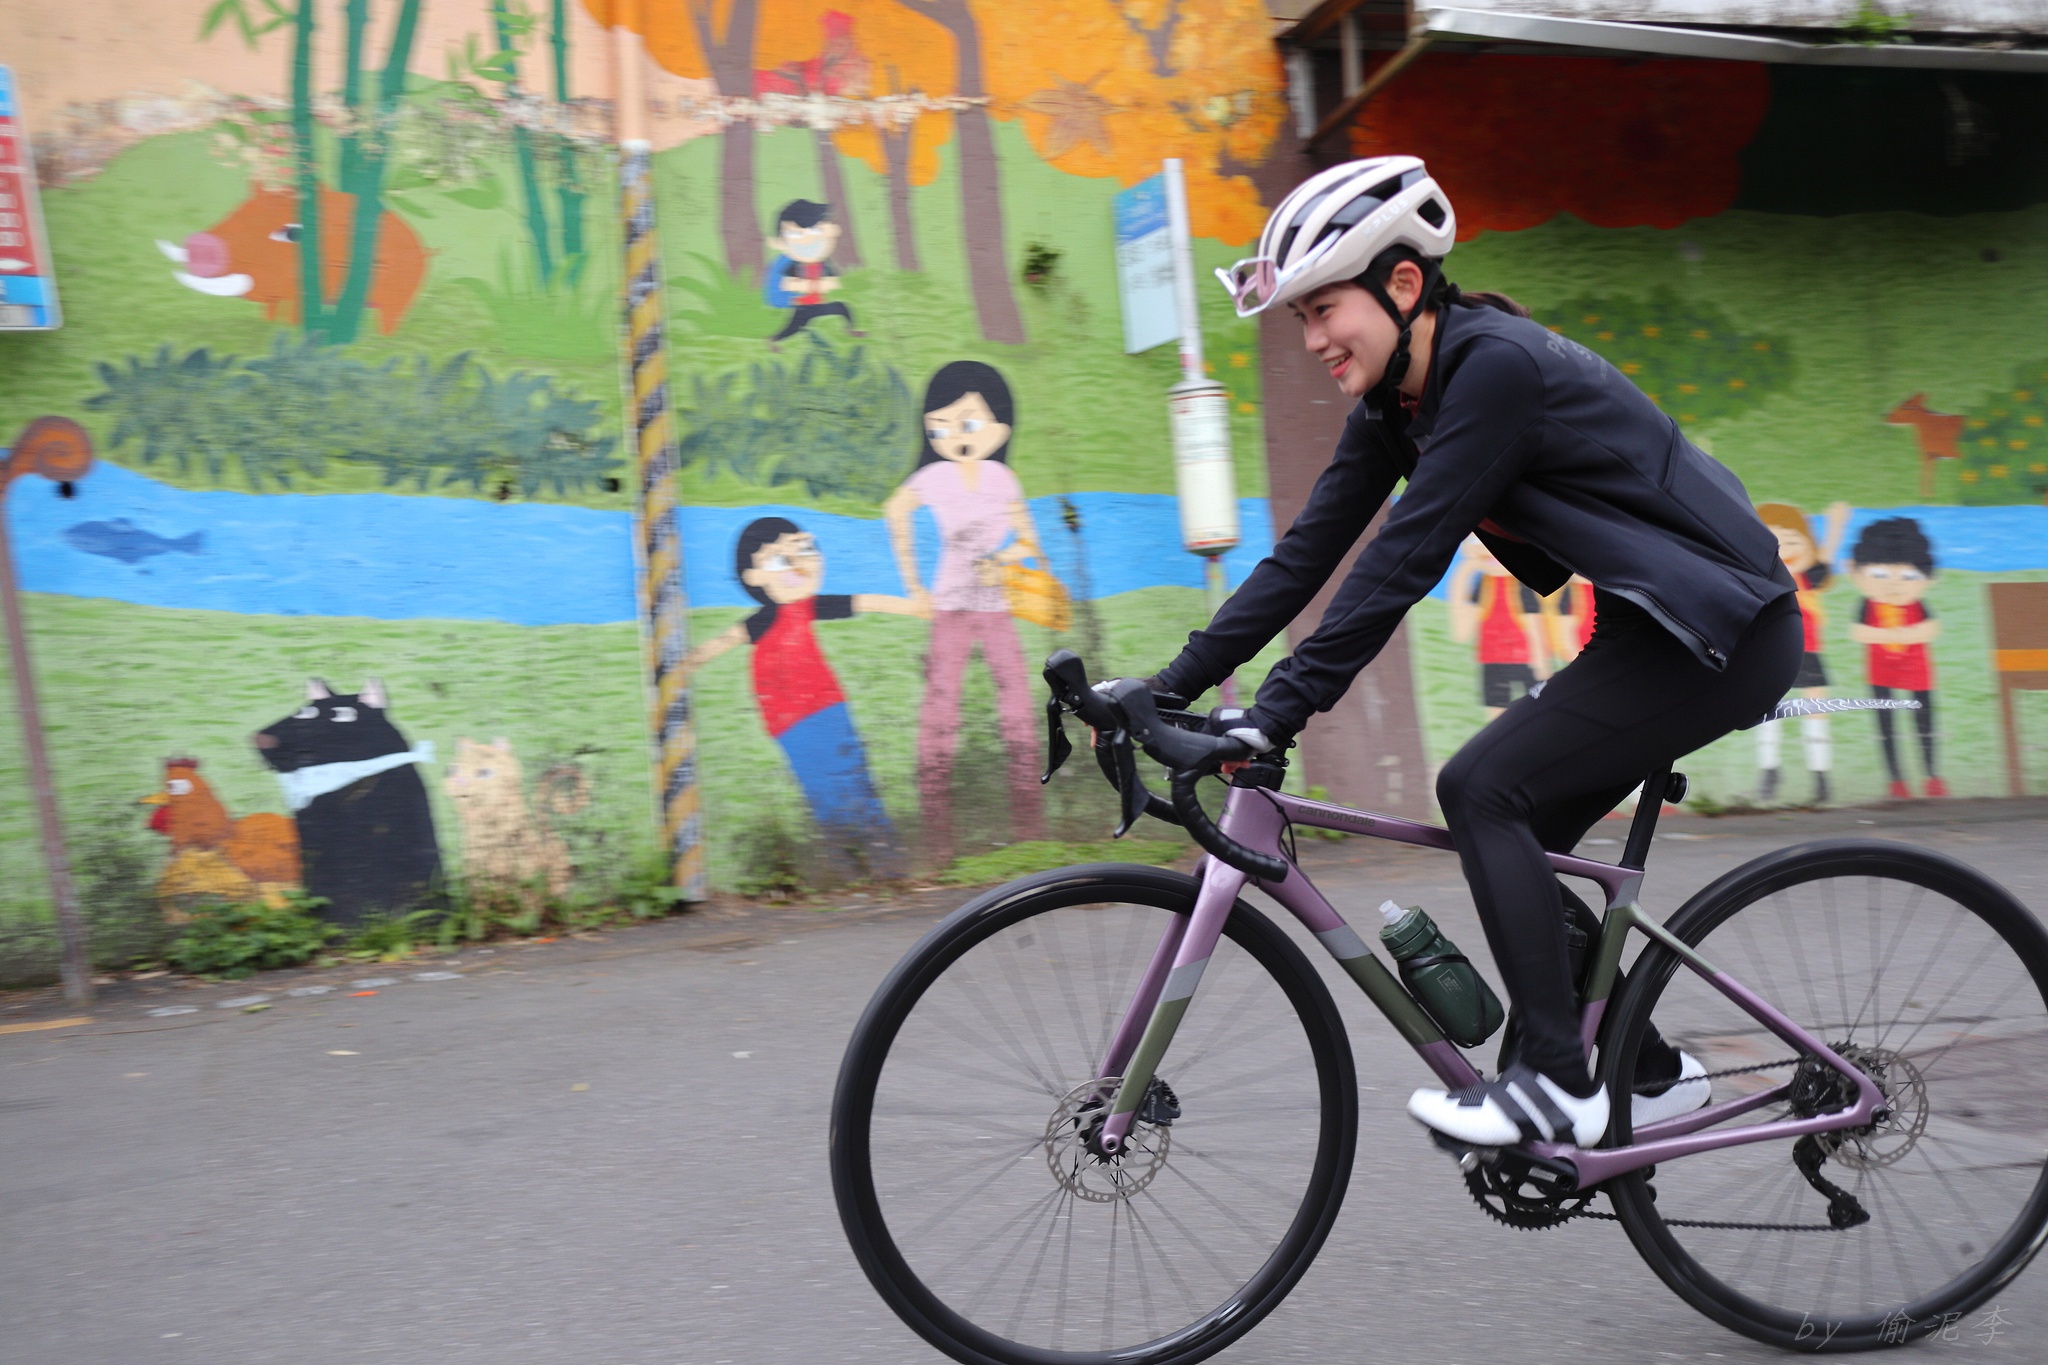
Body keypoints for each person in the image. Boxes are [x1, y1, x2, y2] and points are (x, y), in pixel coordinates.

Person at [1144, 155, 1800, 1149]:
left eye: (1325, 309)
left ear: (1403, 284)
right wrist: (1167, 688)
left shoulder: (1495, 370)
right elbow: (1304, 558)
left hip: (1723, 628)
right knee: (1520, 839)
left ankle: (1557, 1084)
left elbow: (1404, 558)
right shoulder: (1396, 406)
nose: (1313, 338)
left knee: (1482, 787)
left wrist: (1277, 711)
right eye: (1302, 319)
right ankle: (1651, 1075)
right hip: (1651, 626)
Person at [682, 517, 923, 873]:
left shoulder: (810, 606)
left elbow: (866, 601)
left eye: (805, 550)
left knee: (851, 775)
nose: (798, 565)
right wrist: (684, 665)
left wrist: (916, 608)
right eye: (781, 558)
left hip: (825, 708)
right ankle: (846, 861)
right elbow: (723, 641)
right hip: (786, 722)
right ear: (753, 576)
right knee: (820, 785)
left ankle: (884, 857)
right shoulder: (762, 621)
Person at [884, 362, 1049, 864]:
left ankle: (1030, 826)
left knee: (1016, 708)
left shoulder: (1003, 479)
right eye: (941, 426)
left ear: (1000, 428)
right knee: (941, 709)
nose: (954, 436)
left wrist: (1002, 561)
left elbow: (1030, 543)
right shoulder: (934, 477)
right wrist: (913, 584)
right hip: (950, 608)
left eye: (969, 423)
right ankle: (937, 832)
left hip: (996, 608)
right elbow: (894, 511)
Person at [1752, 502, 1851, 804]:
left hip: (1809, 653)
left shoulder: (1807, 579)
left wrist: (1836, 525)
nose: (1787, 551)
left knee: (1815, 716)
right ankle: (1770, 772)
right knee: (1769, 716)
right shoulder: (1762, 582)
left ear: (1808, 545)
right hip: (1772, 653)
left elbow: (1826, 557)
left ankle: (1820, 777)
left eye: (1794, 541)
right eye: (1777, 543)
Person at [1846, 517, 1945, 799]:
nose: (1894, 584)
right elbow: (1857, 632)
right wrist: (1891, 635)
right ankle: (1896, 779)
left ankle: (1931, 775)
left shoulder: (1918, 605)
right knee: (1886, 726)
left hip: (1917, 671)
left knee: (1924, 722)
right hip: (1880, 673)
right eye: (1880, 575)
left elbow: (1931, 628)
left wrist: (1906, 634)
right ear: (1857, 573)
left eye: (1907, 576)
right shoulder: (1867, 604)